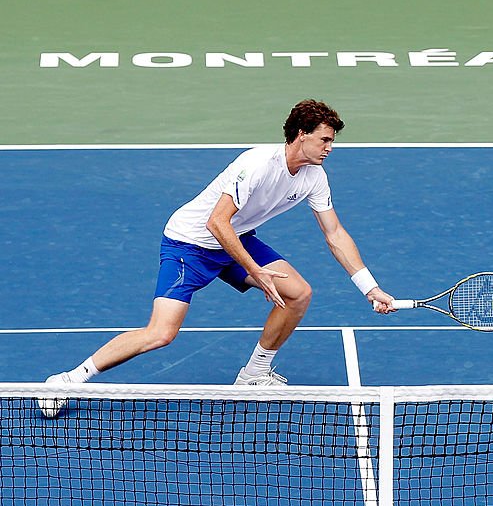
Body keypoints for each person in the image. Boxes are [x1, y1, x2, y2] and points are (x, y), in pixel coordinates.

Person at [41, 99, 395, 414]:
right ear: (301, 134)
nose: (330, 148)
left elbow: (334, 233)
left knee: (298, 293)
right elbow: (216, 222)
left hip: (235, 239)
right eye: (325, 139)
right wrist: (254, 269)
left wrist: (369, 287)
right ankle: (68, 379)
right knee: (161, 333)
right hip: (190, 244)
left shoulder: (314, 177)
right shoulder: (256, 163)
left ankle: (254, 374)